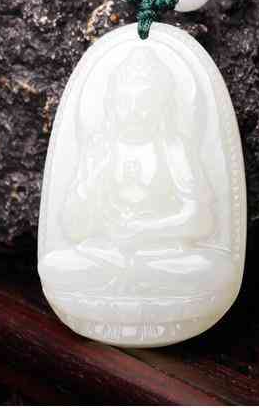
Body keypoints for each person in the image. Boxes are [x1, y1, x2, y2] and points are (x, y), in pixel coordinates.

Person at [39, 47, 236, 298]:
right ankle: (136, 283)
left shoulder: (174, 149)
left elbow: (201, 220)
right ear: (111, 104)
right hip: (105, 255)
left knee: (217, 270)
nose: (132, 111)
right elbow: (72, 227)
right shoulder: (99, 148)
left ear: (162, 106)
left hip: (162, 256)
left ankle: (133, 282)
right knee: (54, 265)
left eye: (144, 102)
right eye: (124, 102)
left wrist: (145, 230)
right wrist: (91, 183)